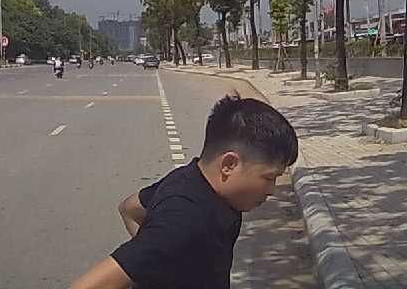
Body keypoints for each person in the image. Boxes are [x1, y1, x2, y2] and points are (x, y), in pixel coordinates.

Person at [68, 93, 298, 289]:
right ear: (229, 165)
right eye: (269, 178)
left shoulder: (191, 178)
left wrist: (162, 266)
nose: (272, 190)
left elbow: (130, 207)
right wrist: (158, 249)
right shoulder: (184, 220)